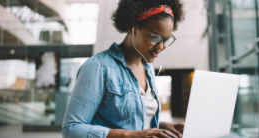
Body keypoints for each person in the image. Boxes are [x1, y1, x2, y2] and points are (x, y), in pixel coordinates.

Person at [62, 0, 185, 138]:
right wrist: (129, 135)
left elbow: (135, 121)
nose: (161, 47)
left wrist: (162, 127)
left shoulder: (148, 69)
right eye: (155, 37)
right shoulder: (98, 67)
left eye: (166, 40)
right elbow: (71, 129)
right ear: (133, 27)